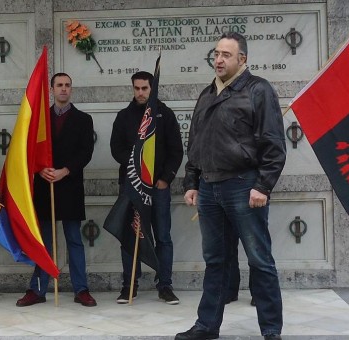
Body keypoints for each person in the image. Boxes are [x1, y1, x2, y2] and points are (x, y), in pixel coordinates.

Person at [177, 32, 286, 340]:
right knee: (216, 261)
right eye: (216, 54)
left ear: (243, 60)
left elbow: (274, 144)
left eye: (226, 54)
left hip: (244, 185)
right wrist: (192, 181)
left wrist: (263, 186)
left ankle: (271, 330)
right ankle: (207, 326)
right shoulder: (207, 93)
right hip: (210, 190)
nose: (219, 59)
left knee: (259, 260)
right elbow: (196, 143)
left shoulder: (258, 90)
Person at [15, 73, 97, 307]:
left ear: (71, 89)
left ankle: (81, 289)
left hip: (69, 185)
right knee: (45, 242)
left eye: (67, 85)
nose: (63, 89)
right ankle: (38, 289)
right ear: (51, 89)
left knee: (74, 240)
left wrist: (65, 170)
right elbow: (29, 150)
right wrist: (40, 169)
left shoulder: (83, 119)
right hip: (45, 186)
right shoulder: (39, 119)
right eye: (59, 85)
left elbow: (86, 152)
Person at [110, 71, 183, 305]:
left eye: (144, 88)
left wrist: (165, 178)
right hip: (132, 187)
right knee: (130, 236)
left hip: (158, 187)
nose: (140, 93)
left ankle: (165, 285)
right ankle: (129, 285)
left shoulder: (165, 115)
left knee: (162, 236)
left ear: (152, 89)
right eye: (136, 88)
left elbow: (176, 151)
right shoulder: (123, 116)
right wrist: (135, 166)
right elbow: (116, 148)